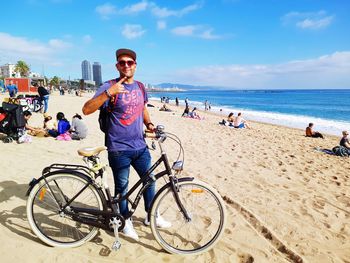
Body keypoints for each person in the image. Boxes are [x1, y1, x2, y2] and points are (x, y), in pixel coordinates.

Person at [82, 48, 170, 241]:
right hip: (118, 148)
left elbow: (143, 108)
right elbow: (86, 109)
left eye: (130, 62)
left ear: (135, 66)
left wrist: (150, 124)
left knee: (150, 180)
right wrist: (108, 93)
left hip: (140, 145)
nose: (126, 65)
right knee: (122, 186)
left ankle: (151, 215)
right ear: (117, 66)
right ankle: (125, 220)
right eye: (122, 63)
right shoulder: (109, 86)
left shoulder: (140, 86)